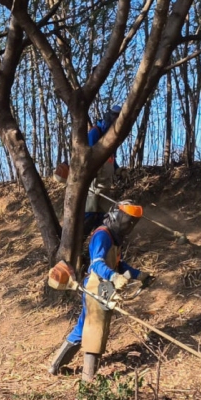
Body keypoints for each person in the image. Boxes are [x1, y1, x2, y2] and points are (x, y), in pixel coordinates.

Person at [49, 201, 145, 382]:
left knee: (85, 325)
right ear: (116, 215)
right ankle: (88, 379)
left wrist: (139, 275)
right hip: (98, 283)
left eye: (132, 222)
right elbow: (97, 264)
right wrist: (114, 277)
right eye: (127, 221)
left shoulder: (115, 238)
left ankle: (56, 365)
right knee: (96, 327)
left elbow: (118, 264)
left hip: (105, 284)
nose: (129, 225)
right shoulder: (102, 235)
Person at [84, 105, 122, 237]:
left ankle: (100, 242)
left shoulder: (112, 137)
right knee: (89, 214)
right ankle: (77, 246)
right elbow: (87, 156)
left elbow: (111, 157)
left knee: (103, 218)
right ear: (109, 116)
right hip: (93, 185)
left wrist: (118, 170)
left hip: (105, 184)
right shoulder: (96, 132)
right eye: (114, 116)